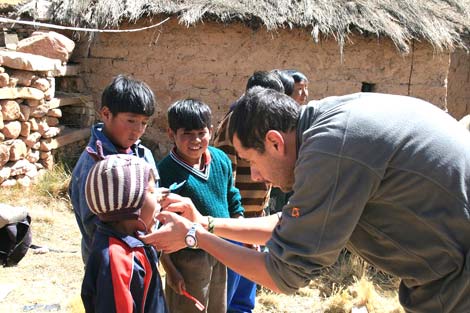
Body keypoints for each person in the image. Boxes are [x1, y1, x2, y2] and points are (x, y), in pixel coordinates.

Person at [141, 88, 470, 313]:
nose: (254, 176)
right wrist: (206, 222)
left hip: (459, 277)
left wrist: (195, 236)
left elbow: (281, 275)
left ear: (274, 142)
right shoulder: (324, 126)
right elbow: (289, 224)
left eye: (251, 160)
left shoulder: (331, 149)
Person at [157, 99, 244, 313]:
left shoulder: (220, 160)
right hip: (187, 257)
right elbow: (160, 224)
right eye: (187, 134)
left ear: (211, 131)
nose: (195, 140)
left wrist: (241, 228)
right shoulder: (165, 172)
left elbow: (231, 195)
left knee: (218, 305)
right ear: (171, 134)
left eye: (201, 133)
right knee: (189, 307)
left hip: (220, 247)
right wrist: (170, 268)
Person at [212, 70, 285, 313]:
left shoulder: (263, 128)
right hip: (236, 225)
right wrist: (241, 227)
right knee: (227, 297)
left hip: (252, 222)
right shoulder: (235, 126)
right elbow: (226, 183)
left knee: (244, 300)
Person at [69, 74, 158, 264]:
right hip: (111, 261)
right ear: (106, 114)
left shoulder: (143, 155)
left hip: (144, 253)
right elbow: (93, 225)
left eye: (144, 122)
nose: (138, 130)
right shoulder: (94, 165)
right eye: (131, 120)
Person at [81, 154, 168, 313]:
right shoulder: (118, 259)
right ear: (130, 202)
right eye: (151, 191)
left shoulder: (133, 241)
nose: (159, 198)